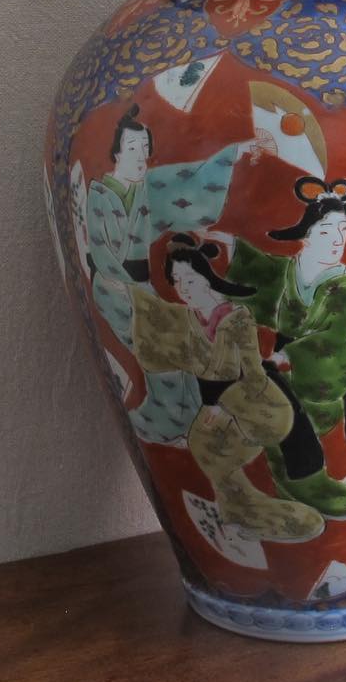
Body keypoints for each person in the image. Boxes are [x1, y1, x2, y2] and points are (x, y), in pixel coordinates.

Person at [85, 105, 269, 443]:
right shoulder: (99, 195)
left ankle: (186, 420)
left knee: (184, 340)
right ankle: (165, 422)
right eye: (132, 149)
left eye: (145, 149)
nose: (141, 156)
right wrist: (127, 293)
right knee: (164, 347)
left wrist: (236, 153)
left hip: (141, 289)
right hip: (114, 290)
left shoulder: (148, 186)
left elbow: (189, 179)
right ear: (115, 152)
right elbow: (99, 251)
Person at [129, 236, 324, 543]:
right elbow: (196, 368)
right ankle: (240, 511)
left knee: (222, 440)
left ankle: (254, 509)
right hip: (217, 402)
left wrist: (224, 406)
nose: (184, 288)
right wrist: (212, 405)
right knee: (203, 443)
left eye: (191, 279)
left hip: (256, 403)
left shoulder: (236, 318)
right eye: (178, 281)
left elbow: (252, 374)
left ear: (207, 279)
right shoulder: (189, 320)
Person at [226, 176, 346, 518]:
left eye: (343, 232)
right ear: (306, 237)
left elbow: (333, 333)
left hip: (325, 366)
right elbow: (262, 273)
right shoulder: (289, 269)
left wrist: (288, 354)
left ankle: (309, 480)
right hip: (281, 358)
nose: (336, 241)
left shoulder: (343, 281)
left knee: (302, 421)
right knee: (276, 420)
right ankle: (294, 485)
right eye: (326, 232)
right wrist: (228, 246)